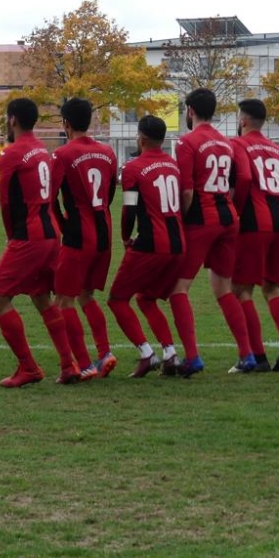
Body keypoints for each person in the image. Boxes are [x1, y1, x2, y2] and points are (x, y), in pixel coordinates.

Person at [0, 97, 79, 388]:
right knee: (42, 297)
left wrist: (11, 236)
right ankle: (68, 364)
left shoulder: (11, 154)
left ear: (12, 119)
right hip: (50, 231)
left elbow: (5, 203)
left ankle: (29, 367)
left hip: (29, 235)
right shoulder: (42, 150)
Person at [168, 87, 253, 377]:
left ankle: (192, 357)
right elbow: (238, 179)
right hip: (229, 217)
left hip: (203, 219)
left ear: (190, 109)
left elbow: (188, 189)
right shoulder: (227, 142)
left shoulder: (187, 142)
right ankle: (246, 354)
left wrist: (180, 219)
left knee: (178, 289)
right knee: (223, 289)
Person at [231, 99, 279, 372]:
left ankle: (258, 357)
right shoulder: (277, 149)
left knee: (241, 289)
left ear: (243, 120)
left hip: (254, 223)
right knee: (272, 287)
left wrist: (236, 213)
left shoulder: (238, 145)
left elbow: (240, 180)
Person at [107, 116, 185, 378]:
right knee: (146, 298)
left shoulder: (133, 168)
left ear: (140, 138)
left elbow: (129, 208)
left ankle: (146, 354)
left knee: (117, 299)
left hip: (152, 243)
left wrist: (125, 236)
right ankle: (171, 354)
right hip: (178, 244)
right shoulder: (173, 165)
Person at [50, 98, 119, 379]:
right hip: (105, 230)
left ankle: (85, 363)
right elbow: (112, 191)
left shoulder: (62, 154)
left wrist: (63, 225)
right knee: (86, 295)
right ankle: (105, 353)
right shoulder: (108, 152)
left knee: (63, 300)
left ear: (65, 123)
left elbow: (50, 197)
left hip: (79, 232)